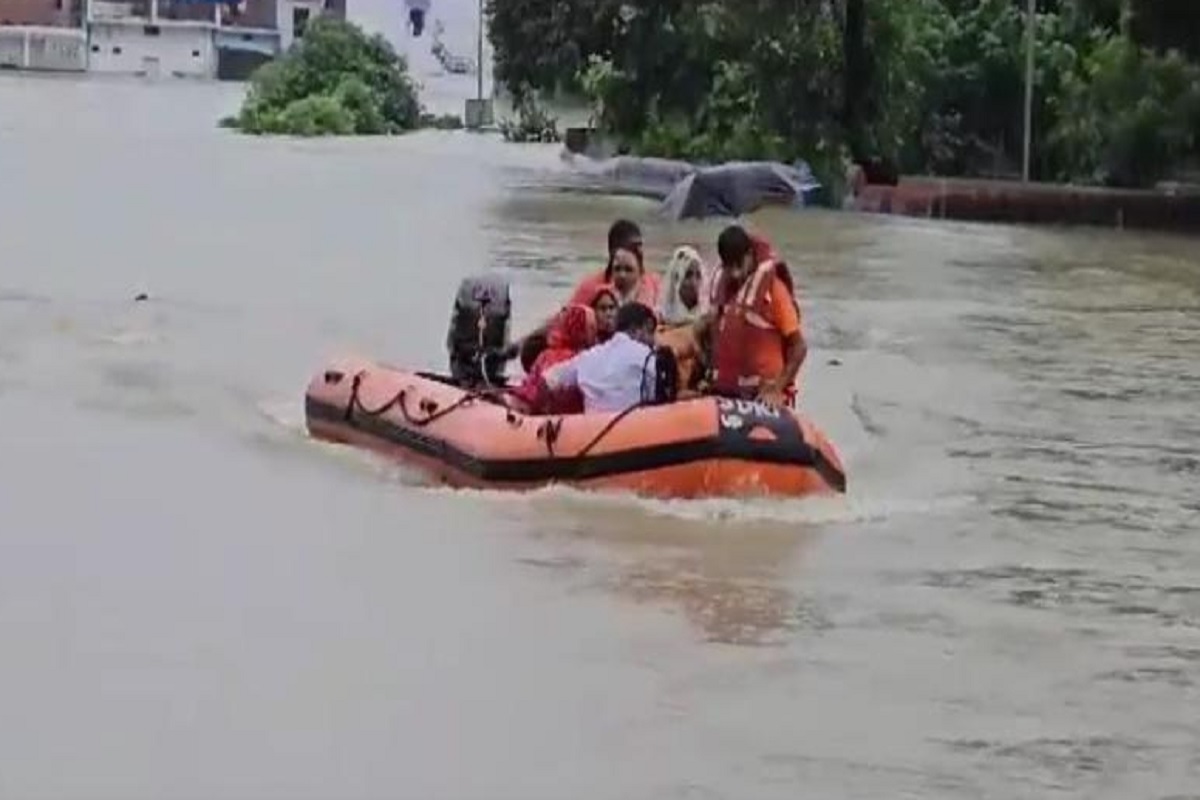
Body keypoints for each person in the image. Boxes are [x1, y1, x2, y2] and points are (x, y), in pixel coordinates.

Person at [696, 225, 807, 408]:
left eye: (739, 265)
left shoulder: (773, 290)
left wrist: (777, 388)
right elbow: (707, 331)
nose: (734, 273)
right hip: (726, 394)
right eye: (729, 267)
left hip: (762, 396)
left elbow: (799, 347)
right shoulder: (723, 291)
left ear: (749, 255)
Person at [537, 302, 660, 414]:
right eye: (651, 333)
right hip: (637, 428)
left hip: (591, 429)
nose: (653, 341)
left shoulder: (588, 356)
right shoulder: (647, 356)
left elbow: (549, 379)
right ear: (646, 326)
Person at [509, 304, 596, 414]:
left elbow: (528, 390)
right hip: (567, 420)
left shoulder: (545, 355)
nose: (594, 333)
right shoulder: (582, 360)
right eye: (591, 327)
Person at [567, 221, 661, 308]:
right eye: (618, 268)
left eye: (628, 269)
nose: (622, 275)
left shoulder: (654, 284)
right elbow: (564, 319)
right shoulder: (591, 288)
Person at [657, 245, 708, 325]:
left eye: (698, 275)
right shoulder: (661, 317)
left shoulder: (708, 315)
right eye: (687, 275)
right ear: (676, 279)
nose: (694, 283)